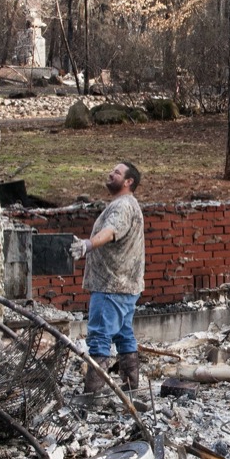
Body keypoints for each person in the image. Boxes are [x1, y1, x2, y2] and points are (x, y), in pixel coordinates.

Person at [70, 161, 145, 394]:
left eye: (117, 173)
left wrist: (87, 245)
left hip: (111, 284)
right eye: (111, 170)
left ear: (128, 181)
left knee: (99, 338)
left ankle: (93, 395)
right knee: (124, 336)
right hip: (127, 284)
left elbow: (110, 232)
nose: (111, 174)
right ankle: (131, 388)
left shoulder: (122, 206)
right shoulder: (127, 205)